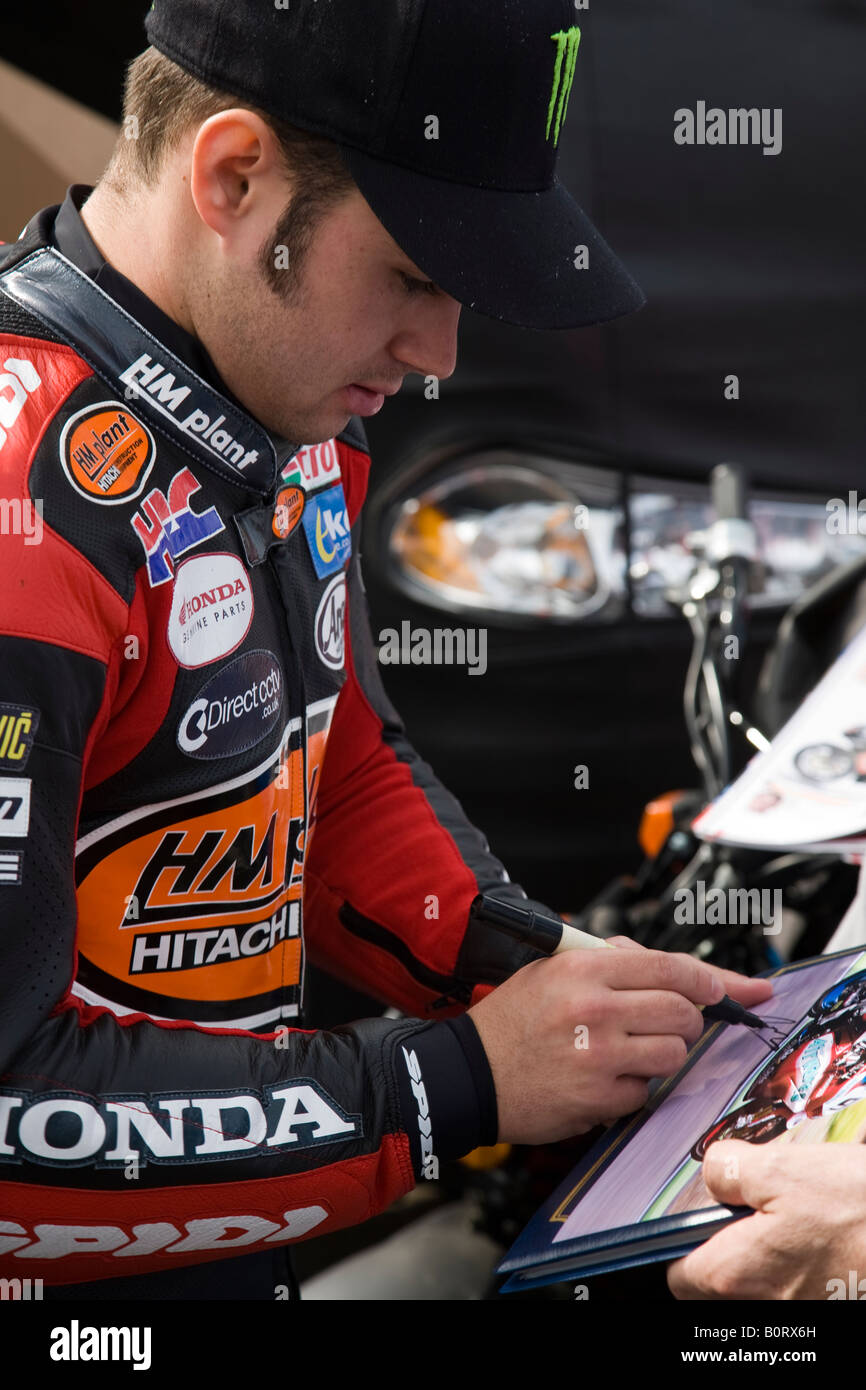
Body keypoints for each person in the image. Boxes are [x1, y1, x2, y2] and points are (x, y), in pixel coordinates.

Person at [0, 0, 769, 1299]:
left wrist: (540, 968)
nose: (436, 354)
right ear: (232, 175)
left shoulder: (283, 416)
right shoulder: (25, 522)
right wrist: (450, 1078)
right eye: (414, 274)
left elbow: (331, 768)